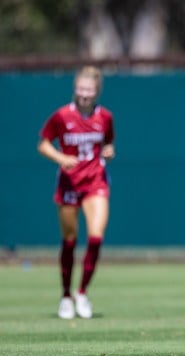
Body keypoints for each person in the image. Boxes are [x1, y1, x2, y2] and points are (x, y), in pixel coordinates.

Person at [37, 66, 115, 319]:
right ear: (75, 89)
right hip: (69, 184)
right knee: (69, 241)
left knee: (95, 237)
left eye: (89, 90)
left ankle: (82, 293)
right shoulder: (62, 116)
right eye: (81, 89)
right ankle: (66, 296)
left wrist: (109, 151)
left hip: (95, 182)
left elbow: (109, 143)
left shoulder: (105, 117)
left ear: (97, 92)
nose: (84, 94)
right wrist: (60, 157)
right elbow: (43, 144)